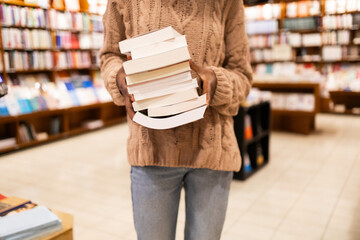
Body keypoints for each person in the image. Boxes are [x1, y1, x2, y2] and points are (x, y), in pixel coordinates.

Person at [100, 0, 252, 239]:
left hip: (212, 154)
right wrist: (118, 79)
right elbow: (110, 55)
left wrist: (214, 80)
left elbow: (242, 76)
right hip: (152, 151)